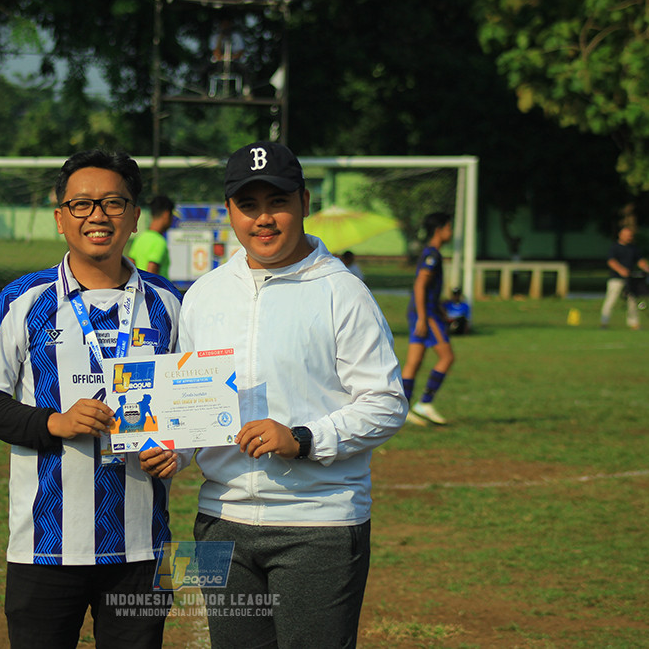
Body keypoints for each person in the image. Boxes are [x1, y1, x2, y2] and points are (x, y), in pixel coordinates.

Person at [140, 141, 406, 649]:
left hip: (318, 524)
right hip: (221, 522)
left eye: (277, 202)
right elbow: (192, 407)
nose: (263, 219)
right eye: (248, 205)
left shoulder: (342, 292)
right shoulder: (204, 294)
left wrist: (304, 438)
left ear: (305, 203)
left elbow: (386, 403)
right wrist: (172, 447)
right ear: (230, 213)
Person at [0, 149, 183, 648]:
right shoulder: (24, 299)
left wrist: (178, 451)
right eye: (81, 205)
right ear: (60, 217)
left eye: (112, 203)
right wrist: (53, 423)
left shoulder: (169, 303)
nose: (97, 216)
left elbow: (188, 407)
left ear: (134, 215)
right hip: (44, 546)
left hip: (142, 547)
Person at [401, 212, 455, 426]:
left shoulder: (430, 253)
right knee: (447, 357)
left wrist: (440, 307)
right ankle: (425, 402)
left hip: (424, 311)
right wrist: (425, 317)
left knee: (414, 361)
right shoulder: (432, 255)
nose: (451, 232)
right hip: (426, 314)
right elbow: (420, 285)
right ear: (439, 230)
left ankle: (403, 408)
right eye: (449, 228)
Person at [600, 226, 649, 330]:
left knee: (632, 301)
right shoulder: (615, 247)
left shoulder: (633, 248)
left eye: (630, 236)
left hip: (630, 279)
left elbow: (639, 260)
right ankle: (604, 322)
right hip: (616, 278)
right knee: (611, 299)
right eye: (627, 235)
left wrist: (646, 267)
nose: (629, 238)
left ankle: (633, 323)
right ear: (620, 235)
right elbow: (611, 261)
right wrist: (620, 270)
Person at [128, 194, 175, 277]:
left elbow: (130, 265)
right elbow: (151, 271)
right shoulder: (159, 241)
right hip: (156, 289)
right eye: (172, 216)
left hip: (139, 287)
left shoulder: (140, 238)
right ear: (166, 215)